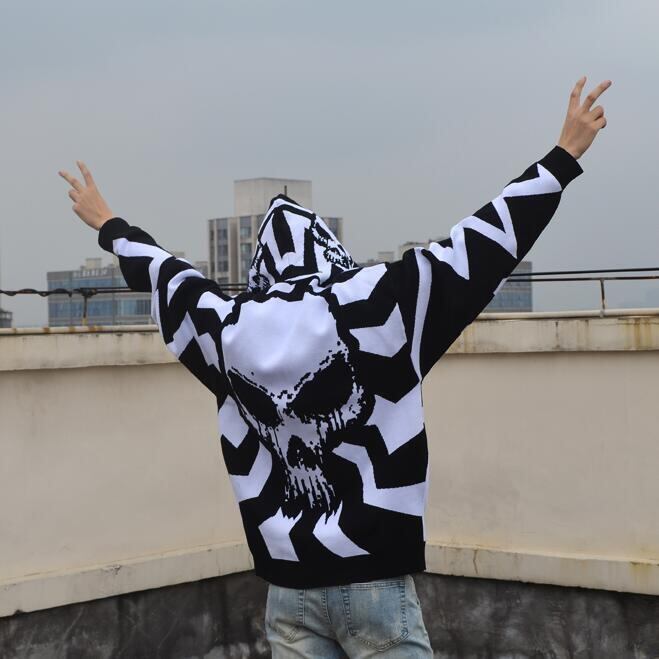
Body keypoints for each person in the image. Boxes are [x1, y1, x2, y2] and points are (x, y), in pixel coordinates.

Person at [59, 76, 610, 658]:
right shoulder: (380, 304)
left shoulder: (231, 327)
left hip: (287, 589)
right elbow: (479, 247)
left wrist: (108, 224)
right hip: (375, 582)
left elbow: (166, 275)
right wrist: (562, 157)